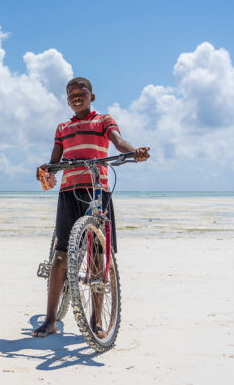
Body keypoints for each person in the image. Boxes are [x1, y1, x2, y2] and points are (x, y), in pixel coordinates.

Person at [31, 77, 150, 338]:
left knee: (98, 257)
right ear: (67, 100)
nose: (76, 97)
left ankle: (96, 320)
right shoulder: (62, 127)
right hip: (68, 192)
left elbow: (118, 142)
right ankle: (50, 320)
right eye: (71, 94)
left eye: (81, 92)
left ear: (91, 96)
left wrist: (134, 151)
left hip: (98, 190)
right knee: (61, 255)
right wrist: (44, 170)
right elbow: (55, 160)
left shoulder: (103, 121)